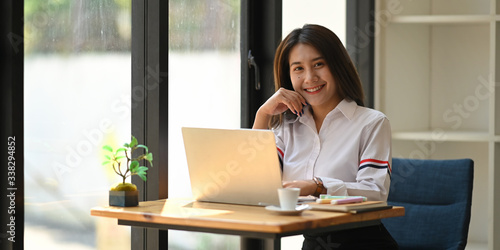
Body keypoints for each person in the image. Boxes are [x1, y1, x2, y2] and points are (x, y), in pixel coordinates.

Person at [252, 24, 398, 249]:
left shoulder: (372, 123)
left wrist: (317, 186)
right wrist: (263, 115)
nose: (310, 78)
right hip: (314, 243)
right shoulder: (287, 129)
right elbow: (256, 185)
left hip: (364, 242)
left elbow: (375, 194)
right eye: (298, 68)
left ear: (338, 66)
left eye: (319, 64)